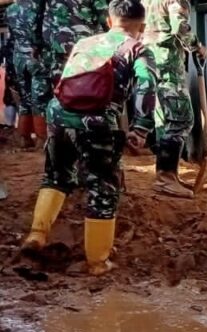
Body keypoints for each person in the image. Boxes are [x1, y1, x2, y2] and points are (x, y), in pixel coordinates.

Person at [19, 0, 156, 275]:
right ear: (142, 26)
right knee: (102, 188)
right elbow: (146, 85)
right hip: (97, 122)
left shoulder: (84, 44)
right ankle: (97, 262)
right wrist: (141, 128)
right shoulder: (137, 48)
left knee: (56, 176)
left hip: (58, 115)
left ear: (109, 21)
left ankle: (36, 235)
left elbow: (65, 79)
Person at [142, 0, 205, 198]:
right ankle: (165, 178)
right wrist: (198, 46)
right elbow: (180, 28)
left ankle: (169, 174)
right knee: (182, 118)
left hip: (149, 61)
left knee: (164, 119)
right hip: (167, 63)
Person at [38, 0, 109, 146]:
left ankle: (60, 138)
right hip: (83, 48)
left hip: (57, 45)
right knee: (89, 91)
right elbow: (106, 17)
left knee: (60, 92)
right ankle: (83, 135)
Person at [6, 0, 45, 149]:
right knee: (39, 98)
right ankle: (42, 139)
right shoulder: (38, 4)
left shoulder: (11, 9)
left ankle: (24, 138)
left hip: (18, 57)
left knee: (25, 98)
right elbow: (39, 31)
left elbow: (13, 34)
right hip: (35, 56)